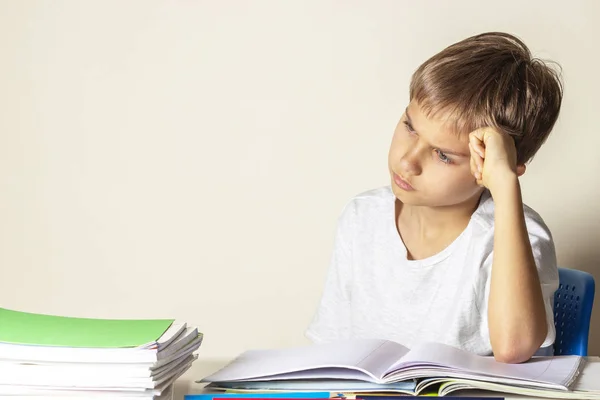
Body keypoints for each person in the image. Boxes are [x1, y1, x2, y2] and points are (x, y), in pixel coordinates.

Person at [306, 32, 563, 364]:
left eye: (443, 155)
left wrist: (505, 186)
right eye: (410, 127)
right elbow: (331, 350)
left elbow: (513, 348)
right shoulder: (362, 218)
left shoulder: (517, 234)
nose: (407, 161)